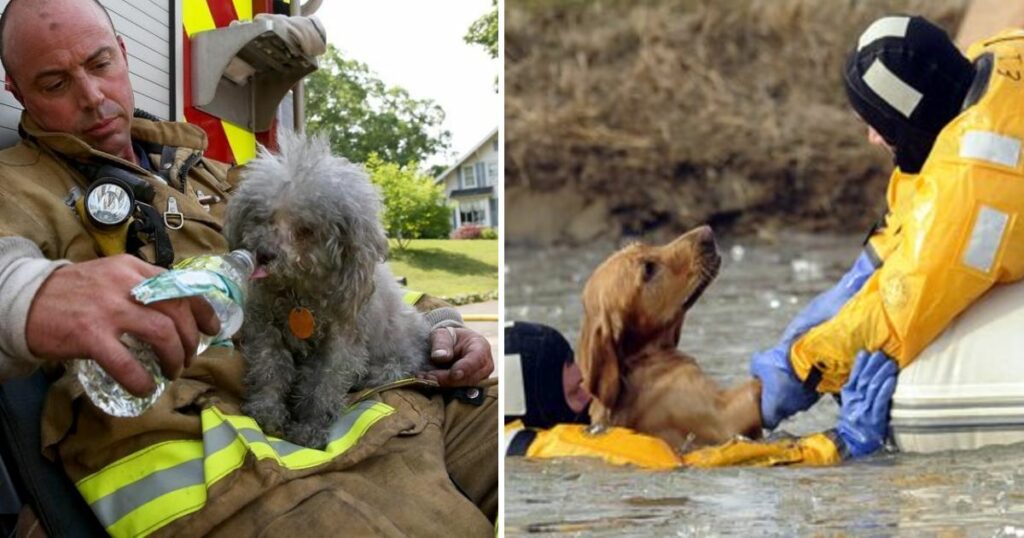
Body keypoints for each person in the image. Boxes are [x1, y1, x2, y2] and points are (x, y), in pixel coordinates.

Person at [0, 0, 496, 535]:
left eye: (100, 65)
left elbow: (350, 270)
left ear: (123, 55)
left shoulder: (214, 172)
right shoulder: (17, 185)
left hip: (378, 397)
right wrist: (31, 292)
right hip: (219, 446)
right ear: (15, 91)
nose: (93, 98)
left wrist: (440, 324)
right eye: (54, 83)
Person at [752, 15, 1024, 432]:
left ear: (908, 122)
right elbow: (926, 193)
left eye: (878, 126)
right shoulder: (1000, 54)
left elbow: (900, 312)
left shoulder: (973, 187)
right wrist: (869, 267)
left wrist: (800, 366)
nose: (872, 140)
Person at [504, 322, 896, 468]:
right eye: (575, 391)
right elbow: (685, 466)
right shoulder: (565, 445)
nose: (591, 393)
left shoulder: (504, 437)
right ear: (535, 404)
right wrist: (837, 443)